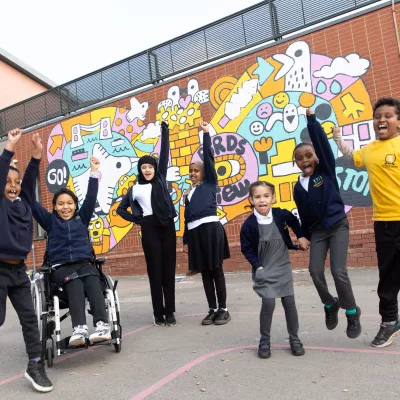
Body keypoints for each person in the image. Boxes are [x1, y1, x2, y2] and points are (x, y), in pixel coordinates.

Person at [333, 97, 400, 347]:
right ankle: (390, 322)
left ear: (398, 122)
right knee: (388, 277)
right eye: (377, 116)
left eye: (388, 116)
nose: (381, 120)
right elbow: (352, 156)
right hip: (383, 223)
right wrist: (338, 138)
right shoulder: (370, 150)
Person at [293, 109, 362, 339]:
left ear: (317, 157)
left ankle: (352, 312)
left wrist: (312, 121)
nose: (305, 160)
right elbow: (302, 215)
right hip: (318, 232)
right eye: (300, 158)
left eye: (308, 155)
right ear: (296, 163)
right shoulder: (298, 187)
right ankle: (330, 304)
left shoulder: (325, 171)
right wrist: (302, 235)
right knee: (314, 271)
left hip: (338, 225)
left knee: (338, 270)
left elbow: (322, 145)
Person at [33, 156, 111, 347]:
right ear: (54, 207)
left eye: (69, 203)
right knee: (74, 282)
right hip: (61, 269)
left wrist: (94, 172)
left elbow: (91, 197)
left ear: (75, 205)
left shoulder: (82, 219)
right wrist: (18, 183)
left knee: (92, 280)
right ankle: (80, 329)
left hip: (85, 264)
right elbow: (31, 203)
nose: (65, 207)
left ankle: (102, 325)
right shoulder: (50, 222)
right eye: (60, 203)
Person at [0, 128, 53, 392]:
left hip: (19, 272)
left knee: (30, 319)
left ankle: (35, 365)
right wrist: (10, 146)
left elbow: (31, 178)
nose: (12, 186)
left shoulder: (25, 203)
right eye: (7, 181)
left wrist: (35, 155)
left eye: (16, 182)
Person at [117, 121, 177, 327]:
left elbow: (164, 152)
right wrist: (139, 220)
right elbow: (120, 210)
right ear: (140, 170)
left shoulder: (160, 179)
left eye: (150, 166)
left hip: (167, 226)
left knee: (168, 270)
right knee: (155, 271)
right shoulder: (134, 189)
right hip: (149, 228)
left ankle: (170, 311)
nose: (147, 170)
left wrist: (165, 131)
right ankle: (158, 313)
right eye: (144, 167)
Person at [240, 181, 308, 358]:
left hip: (282, 265)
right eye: (257, 197)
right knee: (268, 303)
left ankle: (295, 339)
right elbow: (246, 248)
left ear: (273, 198)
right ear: (251, 199)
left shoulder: (280, 215)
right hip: (264, 267)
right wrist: (258, 266)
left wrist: (300, 236)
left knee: (289, 304)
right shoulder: (249, 224)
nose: (262, 200)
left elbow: (294, 222)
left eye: (266, 196)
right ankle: (264, 340)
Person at [182, 121, 231, 326]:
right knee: (204, 271)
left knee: (216, 269)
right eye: (190, 171)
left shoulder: (210, 183)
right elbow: (186, 220)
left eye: (196, 170)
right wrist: (185, 240)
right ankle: (211, 308)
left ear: (203, 172)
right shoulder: (188, 194)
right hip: (195, 234)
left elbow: (209, 160)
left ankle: (223, 309)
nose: (193, 173)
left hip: (211, 230)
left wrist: (206, 135)